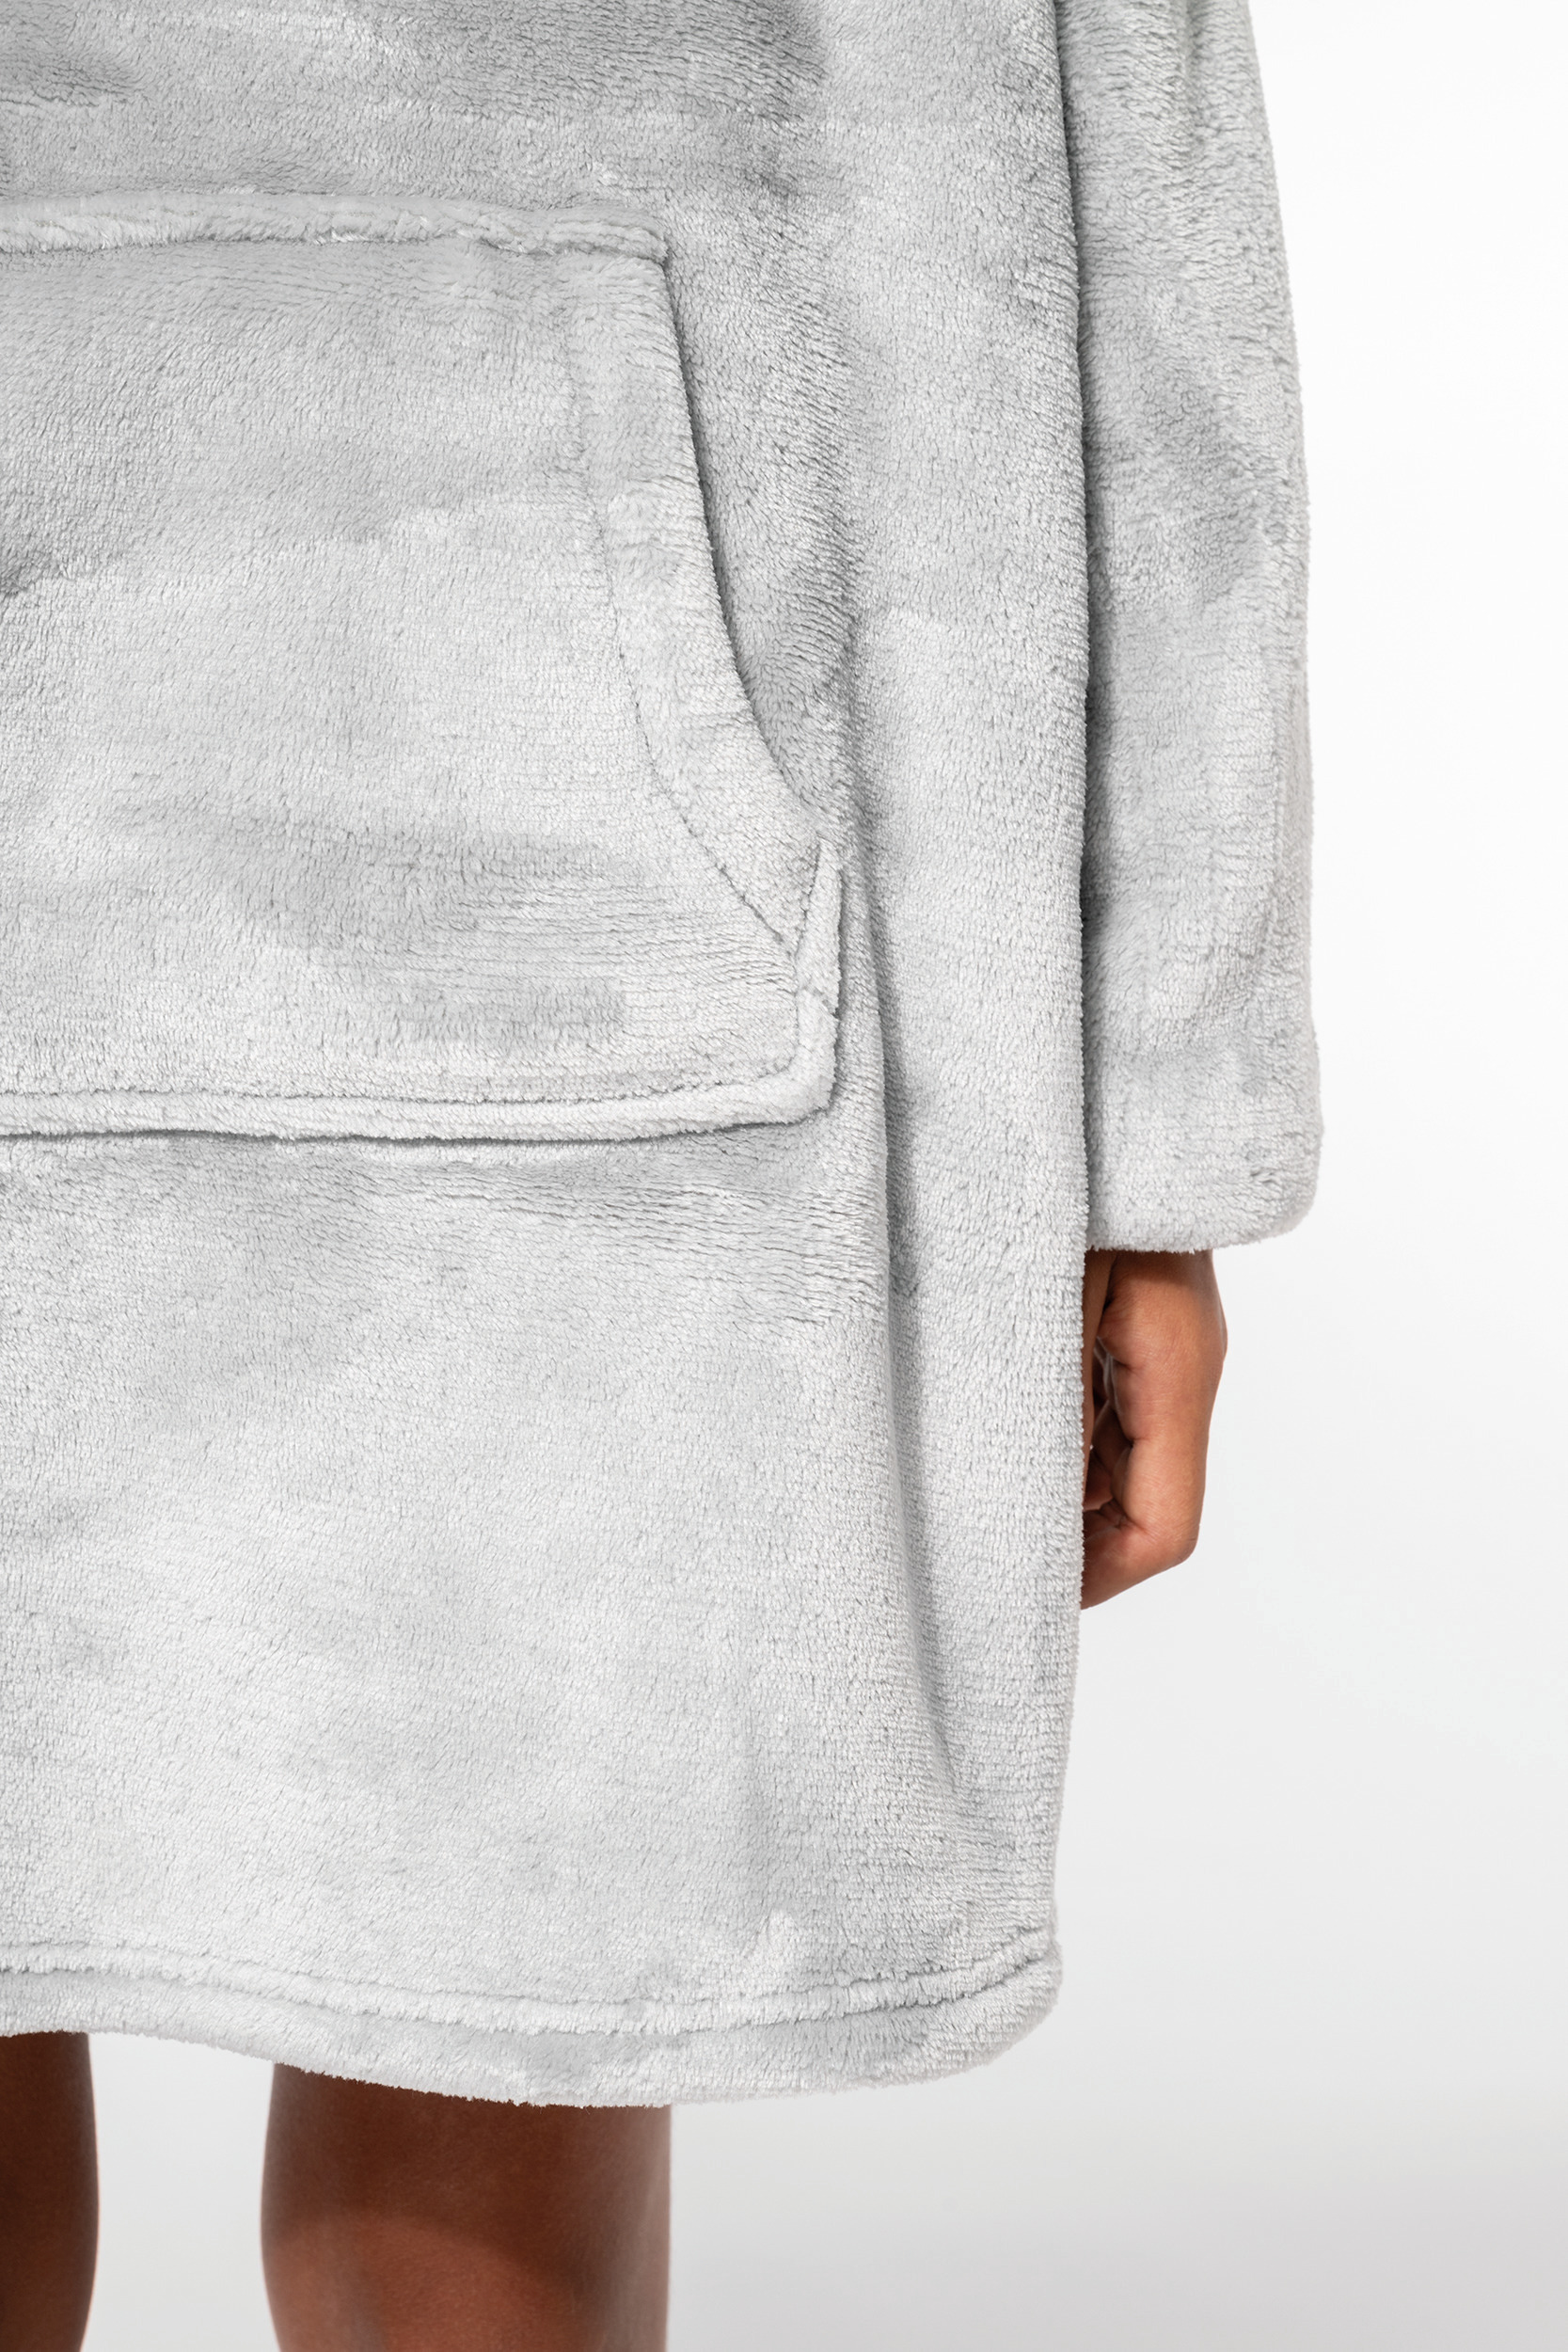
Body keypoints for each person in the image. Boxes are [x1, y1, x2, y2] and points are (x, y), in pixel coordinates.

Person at [0, 4, 1315, 2346]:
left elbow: (1150, 203)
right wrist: (1159, 1140)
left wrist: (1165, 1131)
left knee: (530, 1945)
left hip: (647, 971)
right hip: (662, 911)